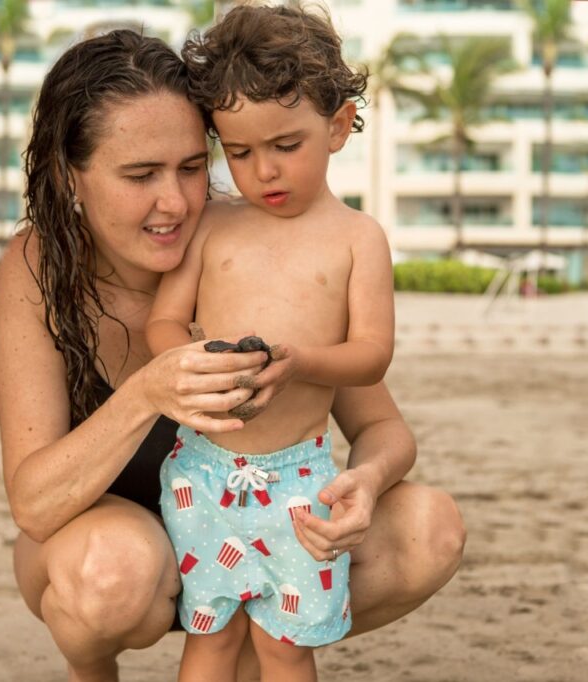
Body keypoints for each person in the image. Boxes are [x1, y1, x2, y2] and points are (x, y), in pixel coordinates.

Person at [0, 28, 465, 682]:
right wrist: (151, 392)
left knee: (427, 529)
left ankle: (254, 641)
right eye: (139, 175)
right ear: (72, 174)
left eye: (192, 167)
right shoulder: (37, 268)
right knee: (110, 574)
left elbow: (382, 426)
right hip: (109, 554)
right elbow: (35, 506)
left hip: (258, 530)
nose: (177, 203)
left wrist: (367, 481)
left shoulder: (251, 242)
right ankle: (93, 674)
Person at [144, 6, 393, 680]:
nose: (264, 173)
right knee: (213, 638)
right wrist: (194, 363)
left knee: (286, 644)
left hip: (298, 479)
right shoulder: (213, 226)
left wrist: (305, 360)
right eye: (240, 152)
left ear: (338, 125)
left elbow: (373, 352)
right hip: (203, 472)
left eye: (286, 146)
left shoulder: (356, 238)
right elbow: (163, 323)